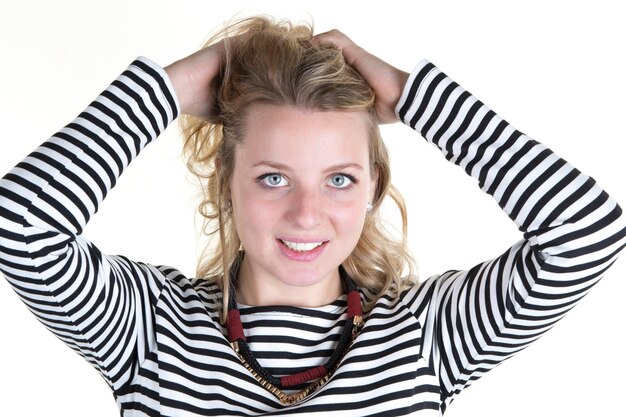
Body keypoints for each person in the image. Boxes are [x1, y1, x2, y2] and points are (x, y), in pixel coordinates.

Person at [0, 15, 624, 417]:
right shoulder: (151, 332)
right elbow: (19, 227)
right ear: (227, 182)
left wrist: (416, 98)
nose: (306, 215)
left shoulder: (425, 336)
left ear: (374, 185)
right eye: (274, 177)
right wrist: (171, 87)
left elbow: (586, 234)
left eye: (339, 179)